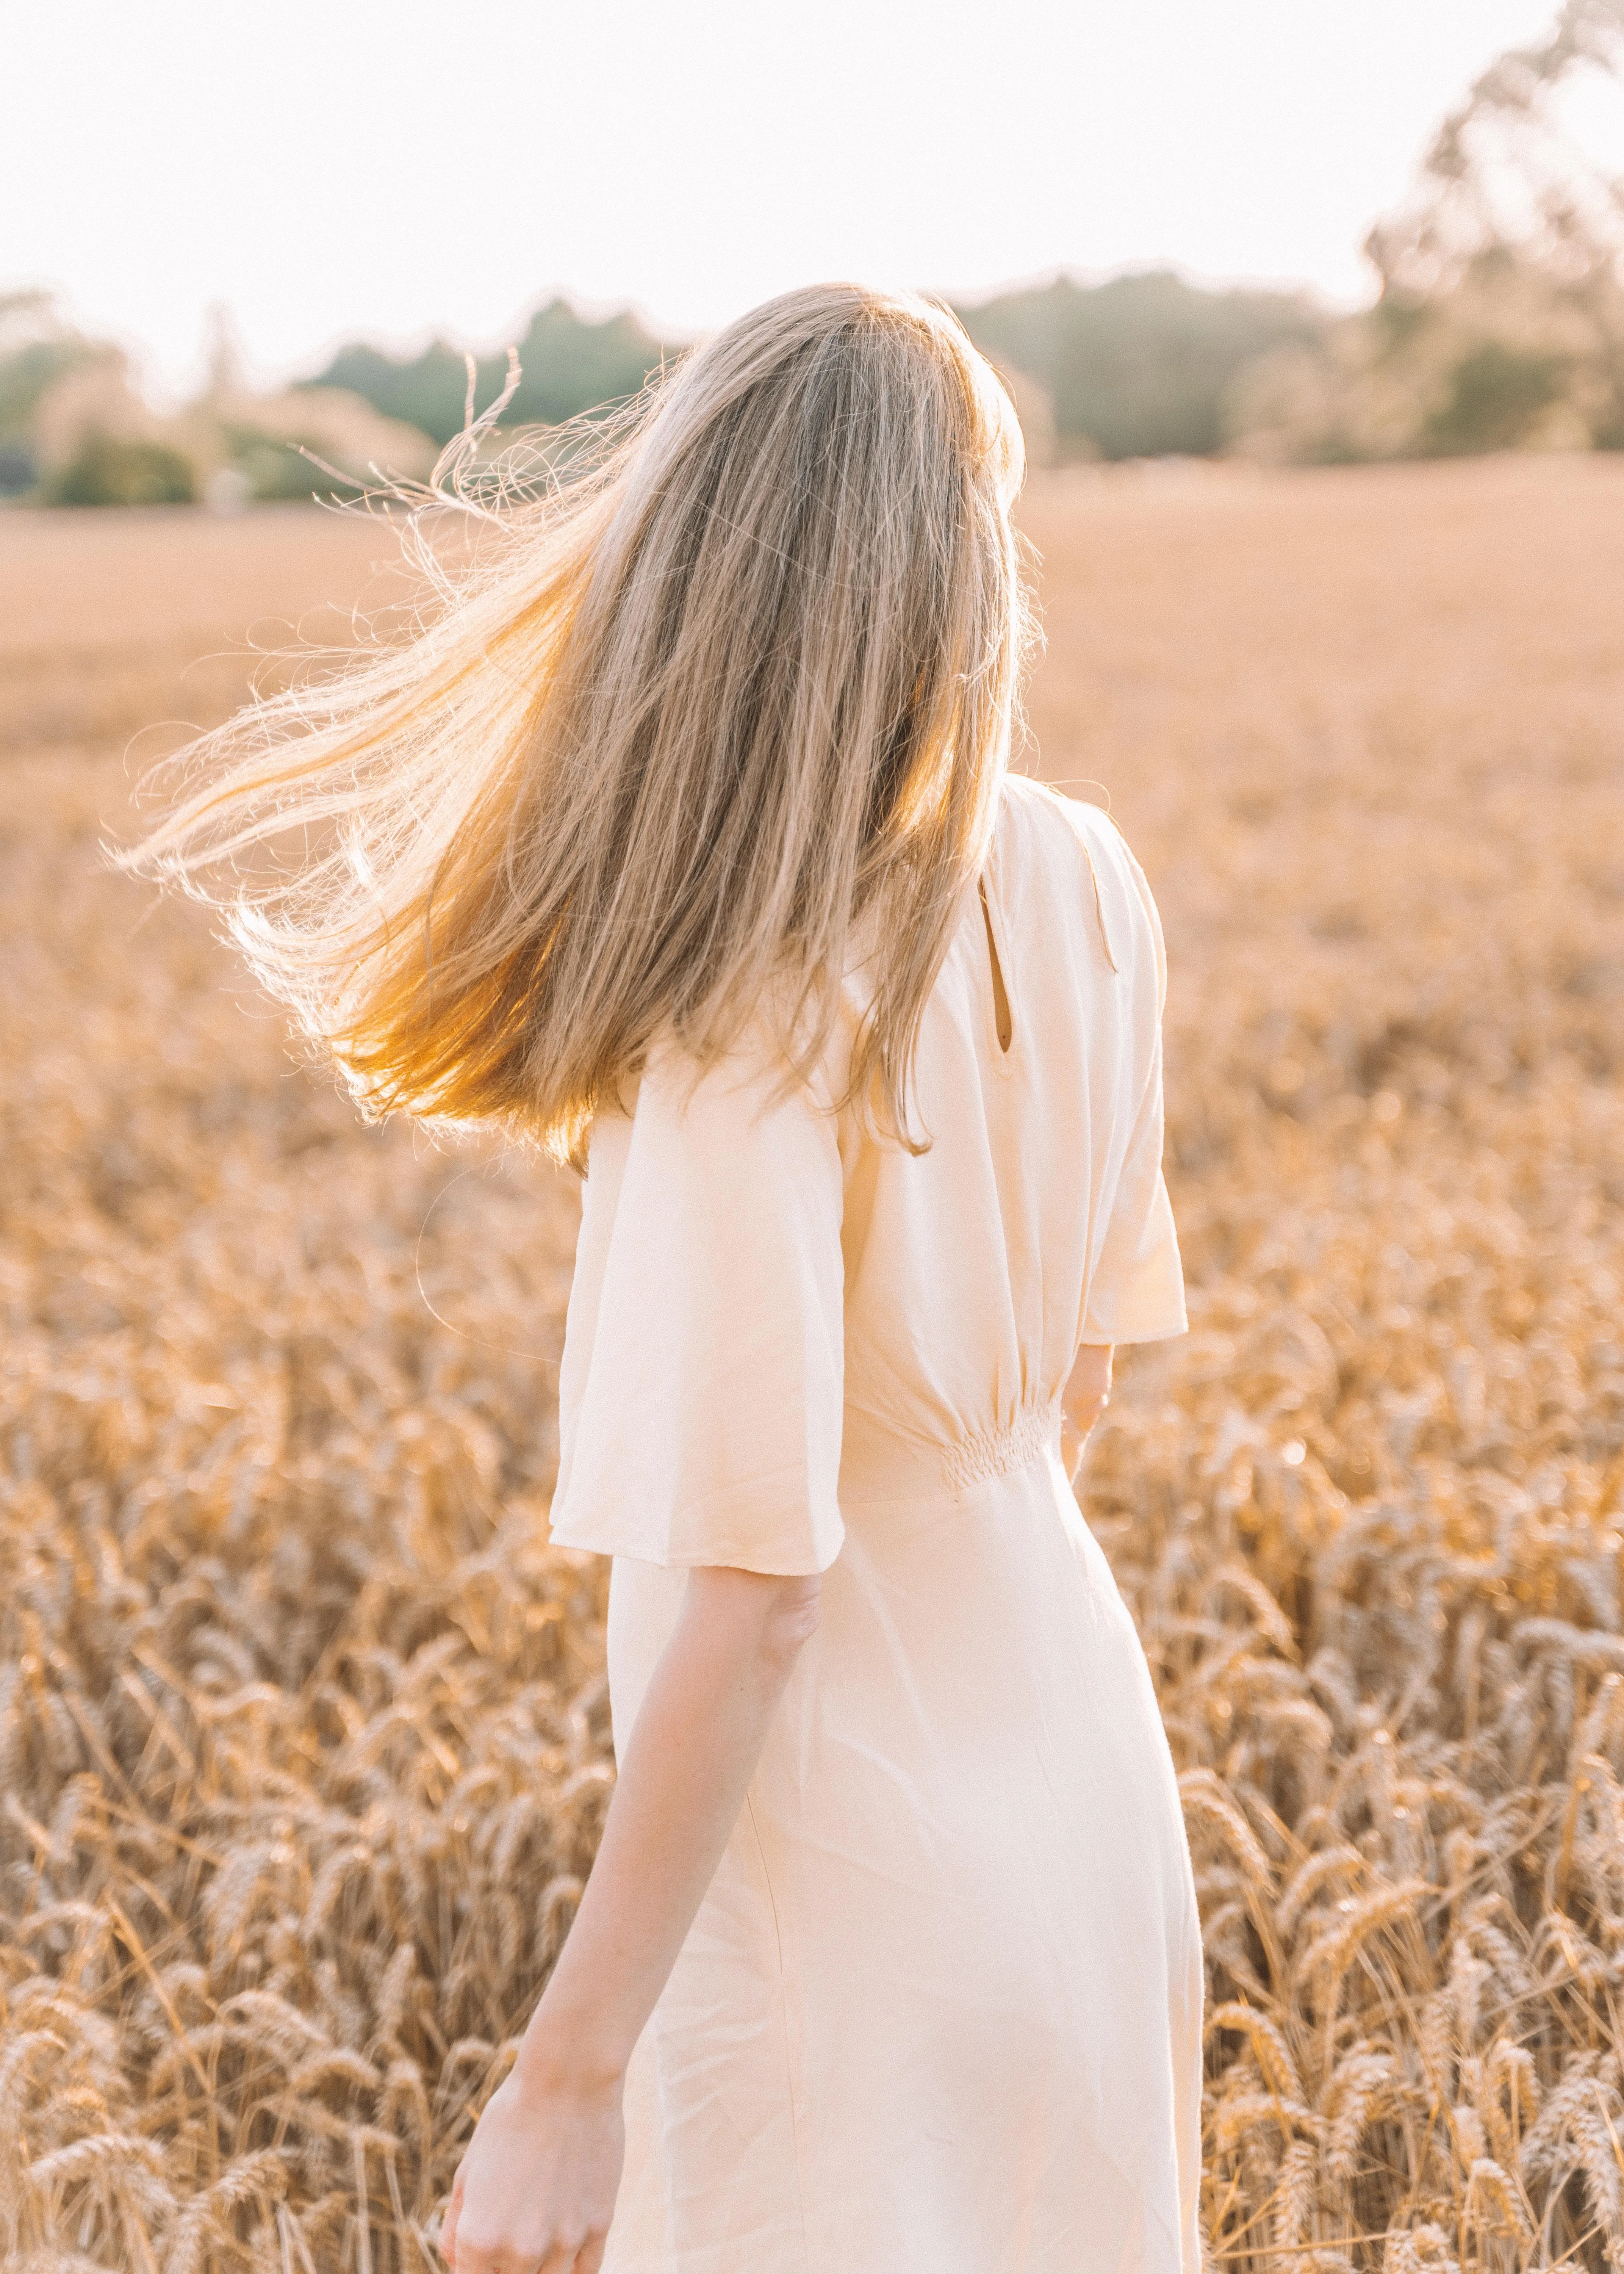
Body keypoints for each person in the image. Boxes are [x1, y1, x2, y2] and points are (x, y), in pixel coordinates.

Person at [128, 283, 1201, 2274]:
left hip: (840, 1879)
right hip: (1074, 1793)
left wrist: (565, 2080)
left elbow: (758, 1592)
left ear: (689, 572)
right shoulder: (1084, 880)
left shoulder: (745, 1002)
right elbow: (1078, 1396)